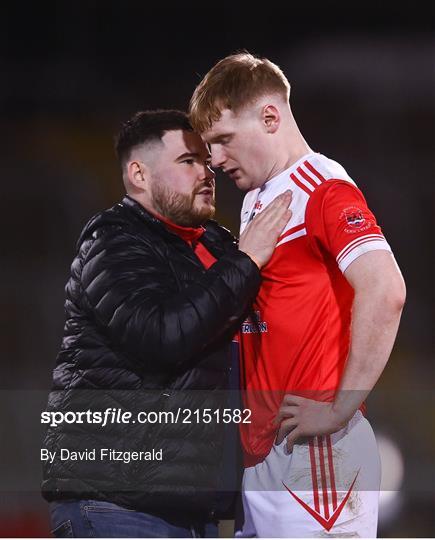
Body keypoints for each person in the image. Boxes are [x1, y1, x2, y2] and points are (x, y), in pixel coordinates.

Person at [41, 109, 292, 538]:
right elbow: (161, 335)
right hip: (118, 506)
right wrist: (246, 260)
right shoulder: (113, 240)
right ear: (138, 173)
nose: (206, 171)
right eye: (188, 161)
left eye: (207, 161)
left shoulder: (216, 245)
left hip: (195, 514)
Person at [189, 53, 406, 538]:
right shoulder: (255, 200)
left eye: (223, 140)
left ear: (270, 117)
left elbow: (386, 289)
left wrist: (339, 409)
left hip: (316, 453)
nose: (216, 160)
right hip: (267, 452)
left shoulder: (322, 187)